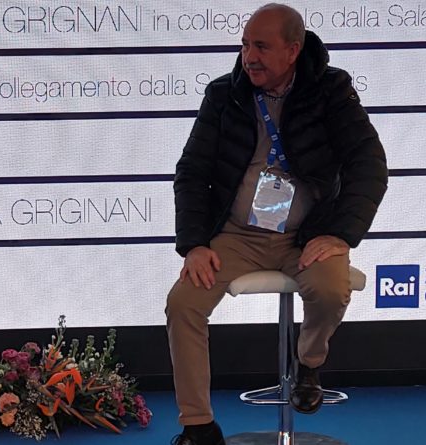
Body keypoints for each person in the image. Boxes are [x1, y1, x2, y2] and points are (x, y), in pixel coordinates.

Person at [165, 4, 387, 444]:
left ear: (293, 50)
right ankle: (198, 426)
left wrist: (340, 234)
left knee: (330, 289)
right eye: (245, 45)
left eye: (262, 47)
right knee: (183, 303)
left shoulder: (331, 90)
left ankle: (309, 361)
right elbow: (192, 171)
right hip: (236, 235)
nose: (250, 57)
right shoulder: (223, 94)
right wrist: (194, 243)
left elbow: (369, 164)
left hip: (305, 236)